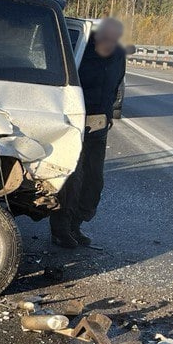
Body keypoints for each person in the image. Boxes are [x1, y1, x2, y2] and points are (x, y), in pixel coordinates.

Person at [51, 17, 129, 249]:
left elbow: (116, 84)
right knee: (73, 178)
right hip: (75, 119)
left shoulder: (118, 54)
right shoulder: (79, 48)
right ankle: (61, 229)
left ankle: (76, 223)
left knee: (94, 179)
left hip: (99, 121)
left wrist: (108, 113)